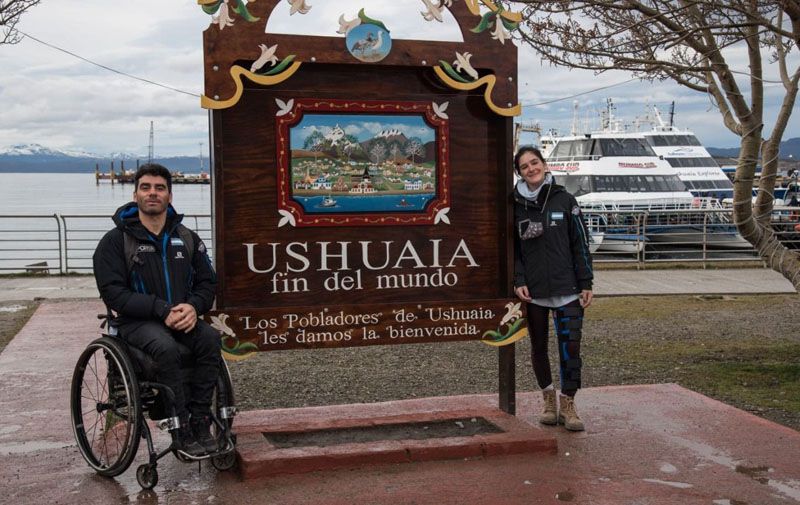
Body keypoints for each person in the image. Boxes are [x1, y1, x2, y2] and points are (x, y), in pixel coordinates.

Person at [93, 163, 221, 456]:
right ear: (135, 194)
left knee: (211, 340)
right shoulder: (115, 242)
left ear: (170, 196)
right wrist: (161, 309)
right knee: (165, 348)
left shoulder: (187, 238)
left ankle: (200, 419)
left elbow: (207, 282)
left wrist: (193, 306)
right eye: (146, 187)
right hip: (136, 321)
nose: (153, 193)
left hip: (182, 315)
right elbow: (113, 293)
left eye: (159, 188)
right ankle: (180, 425)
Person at [512, 146, 593, 431]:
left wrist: (586, 282)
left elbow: (580, 244)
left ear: (545, 165)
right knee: (538, 348)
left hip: (568, 289)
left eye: (535, 162)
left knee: (570, 348)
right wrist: (519, 279)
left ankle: (568, 403)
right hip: (534, 293)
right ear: (519, 173)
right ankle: (548, 400)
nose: (531, 168)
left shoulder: (565, 200)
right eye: (524, 166)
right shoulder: (515, 204)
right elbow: (513, 250)